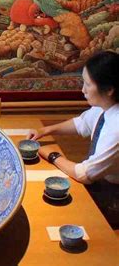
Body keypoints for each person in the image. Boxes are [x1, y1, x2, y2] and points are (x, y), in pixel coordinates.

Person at [27, 51, 119, 228]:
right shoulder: (106, 105)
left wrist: (52, 155)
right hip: (99, 182)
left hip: (111, 197)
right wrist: (44, 130)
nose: (83, 90)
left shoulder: (117, 128)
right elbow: (81, 123)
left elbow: (85, 174)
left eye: (88, 84)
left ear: (109, 89)